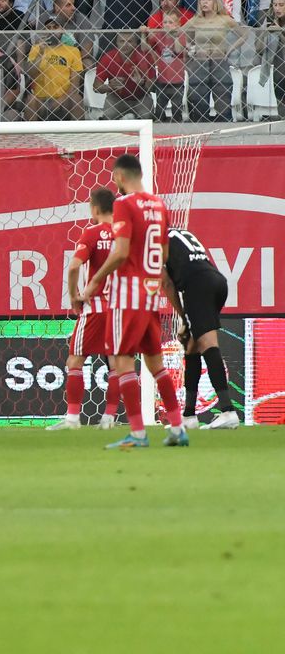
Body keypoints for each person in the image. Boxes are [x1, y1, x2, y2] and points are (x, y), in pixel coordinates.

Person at [81, 154, 188, 449]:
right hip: (152, 294)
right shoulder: (159, 205)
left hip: (127, 296)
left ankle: (138, 433)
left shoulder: (124, 205)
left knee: (122, 361)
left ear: (119, 176)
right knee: (156, 365)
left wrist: (95, 280)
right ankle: (178, 428)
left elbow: (120, 251)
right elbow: (164, 255)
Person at [48, 187, 121, 431]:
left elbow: (73, 267)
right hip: (121, 310)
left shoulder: (92, 233)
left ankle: (72, 419)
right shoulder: (126, 235)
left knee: (75, 360)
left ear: (96, 208)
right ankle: (109, 419)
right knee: (116, 364)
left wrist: (73, 297)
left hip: (96, 308)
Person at [163, 227, 240, 430]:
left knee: (207, 343)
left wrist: (183, 317)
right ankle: (189, 415)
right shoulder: (178, 233)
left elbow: (167, 284)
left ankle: (228, 411)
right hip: (216, 282)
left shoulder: (154, 239)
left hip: (198, 286)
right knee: (191, 347)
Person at [181, 0, 246, 122]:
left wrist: (229, 49)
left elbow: (244, 35)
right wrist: (189, 48)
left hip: (219, 62)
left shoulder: (224, 19)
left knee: (223, 102)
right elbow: (179, 34)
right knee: (198, 102)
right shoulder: (195, 20)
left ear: (215, 1)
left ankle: (224, 134)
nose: (204, 2)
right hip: (200, 63)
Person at [25, 18, 83, 120]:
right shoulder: (36, 48)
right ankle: (30, 135)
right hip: (41, 100)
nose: (51, 30)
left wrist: (60, 100)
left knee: (77, 99)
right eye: (48, 28)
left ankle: (81, 134)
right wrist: (40, 53)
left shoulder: (73, 51)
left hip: (64, 100)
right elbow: (30, 73)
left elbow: (75, 85)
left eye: (55, 27)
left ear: (63, 30)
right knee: (31, 100)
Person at [94, 31, 155, 119]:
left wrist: (141, 83)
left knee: (147, 116)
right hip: (116, 98)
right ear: (116, 43)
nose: (125, 45)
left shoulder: (145, 57)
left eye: (129, 41)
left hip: (141, 98)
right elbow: (96, 87)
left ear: (135, 43)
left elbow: (153, 89)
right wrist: (110, 86)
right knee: (108, 116)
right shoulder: (108, 57)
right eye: (122, 41)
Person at [145, 7, 186, 122]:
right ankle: (158, 126)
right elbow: (145, 47)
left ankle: (176, 127)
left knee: (177, 109)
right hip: (162, 81)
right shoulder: (159, 36)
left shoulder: (181, 36)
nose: (167, 25)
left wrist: (175, 35)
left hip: (177, 81)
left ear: (178, 24)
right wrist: (145, 34)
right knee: (159, 110)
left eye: (171, 22)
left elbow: (178, 50)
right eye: (165, 22)